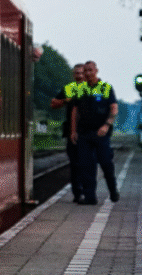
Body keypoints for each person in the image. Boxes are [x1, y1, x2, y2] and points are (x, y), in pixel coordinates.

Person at [70, 60, 119, 204]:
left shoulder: (106, 88)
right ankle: (90, 197)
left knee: (105, 163)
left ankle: (113, 190)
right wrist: (73, 131)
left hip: (101, 134)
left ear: (96, 71)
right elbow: (75, 110)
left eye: (90, 70)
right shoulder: (80, 89)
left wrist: (107, 125)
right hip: (84, 133)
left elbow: (114, 108)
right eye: (85, 71)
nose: (88, 73)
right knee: (86, 165)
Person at [51, 64, 86, 202]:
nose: (79, 75)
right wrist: (66, 100)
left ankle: (83, 189)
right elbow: (53, 103)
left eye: (81, 73)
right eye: (77, 73)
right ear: (73, 74)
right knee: (75, 163)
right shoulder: (69, 88)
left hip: (87, 131)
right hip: (71, 131)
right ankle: (78, 192)